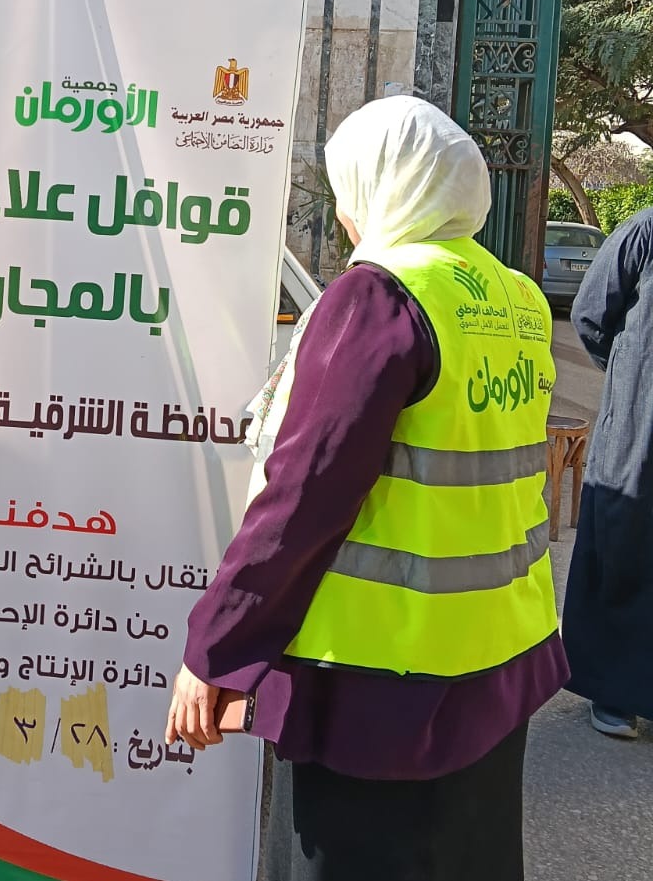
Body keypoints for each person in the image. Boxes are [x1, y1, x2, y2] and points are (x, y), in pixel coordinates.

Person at [165, 95, 567, 881]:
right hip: (494, 662)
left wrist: (214, 649)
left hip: (376, 691)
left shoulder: (380, 297)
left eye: (347, 189)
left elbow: (303, 497)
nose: (346, 213)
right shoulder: (517, 300)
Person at [562, 205, 653, 740]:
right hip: (640, 421)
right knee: (623, 541)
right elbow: (591, 314)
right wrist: (629, 371)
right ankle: (613, 693)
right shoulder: (645, 231)